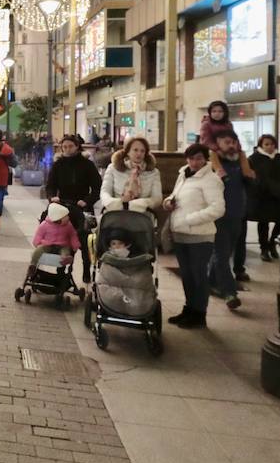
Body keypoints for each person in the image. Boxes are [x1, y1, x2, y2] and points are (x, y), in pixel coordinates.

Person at [162, 143, 226, 329]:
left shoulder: (211, 180)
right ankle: (189, 309)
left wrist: (191, 219)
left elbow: (218, 208)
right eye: (191, 158)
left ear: (206, 159)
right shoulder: (184, 175)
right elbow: (175, 196)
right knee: (188, 276)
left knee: (198, 276)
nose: (195, 162)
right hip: (181, 234)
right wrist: (168, 203)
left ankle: (200, 314)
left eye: (199, 158)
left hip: (199, 236)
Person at [44, 134, 102, 282]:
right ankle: (60, 270)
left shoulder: (87, 165)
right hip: (63, 206)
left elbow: (97, 187)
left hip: (82, 206)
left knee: (84, 239)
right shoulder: (58, 164)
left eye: (70, 146)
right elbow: (50, 185)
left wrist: (87, 200)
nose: (67, 149)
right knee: (61, 238)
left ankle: (86, 270)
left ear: (77, 147)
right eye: (64, 147)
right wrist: (52, 198)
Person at [208, 130, 254, 307]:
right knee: (221, 254)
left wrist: (250, 176)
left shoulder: (242, 163)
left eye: (233, 142)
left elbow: (251, 185)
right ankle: (229, 292)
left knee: (225, 253)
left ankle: (210, 282)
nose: (231, 145)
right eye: (227, 142)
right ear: (217, 143)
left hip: (237, 214)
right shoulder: (213, 165)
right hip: (218, 215)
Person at [248, 134, 280, 261]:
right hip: (263, 195)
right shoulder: (254, 158)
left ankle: (273, 244)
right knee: (263, 222)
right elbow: (251, 176)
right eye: (266, 144)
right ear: (261, 145)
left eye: (272, 144)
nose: (269, 147)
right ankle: (264, 248)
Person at [98, 136, 162, 216]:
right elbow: (104, 192)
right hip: (116, 213)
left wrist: (139, 204)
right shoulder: (113, 168)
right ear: (128, 151)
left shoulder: (153, 172)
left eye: (142, 151)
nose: (139, 153)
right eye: (135, 150)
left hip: (142, 215)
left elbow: (157, 198)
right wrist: (118, 203)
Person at [31, 201, 80, 267]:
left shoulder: (68, 225)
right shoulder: (45, 225)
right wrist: (36, 243)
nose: (68, 217)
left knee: (65, 251)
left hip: (62, 245)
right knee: (38, 250)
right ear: (58, 218)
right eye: (65, 216)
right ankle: (33, 264)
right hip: (47, 244)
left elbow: (72, 235)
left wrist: (75, 245)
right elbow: (39, 234)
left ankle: (65, 259)